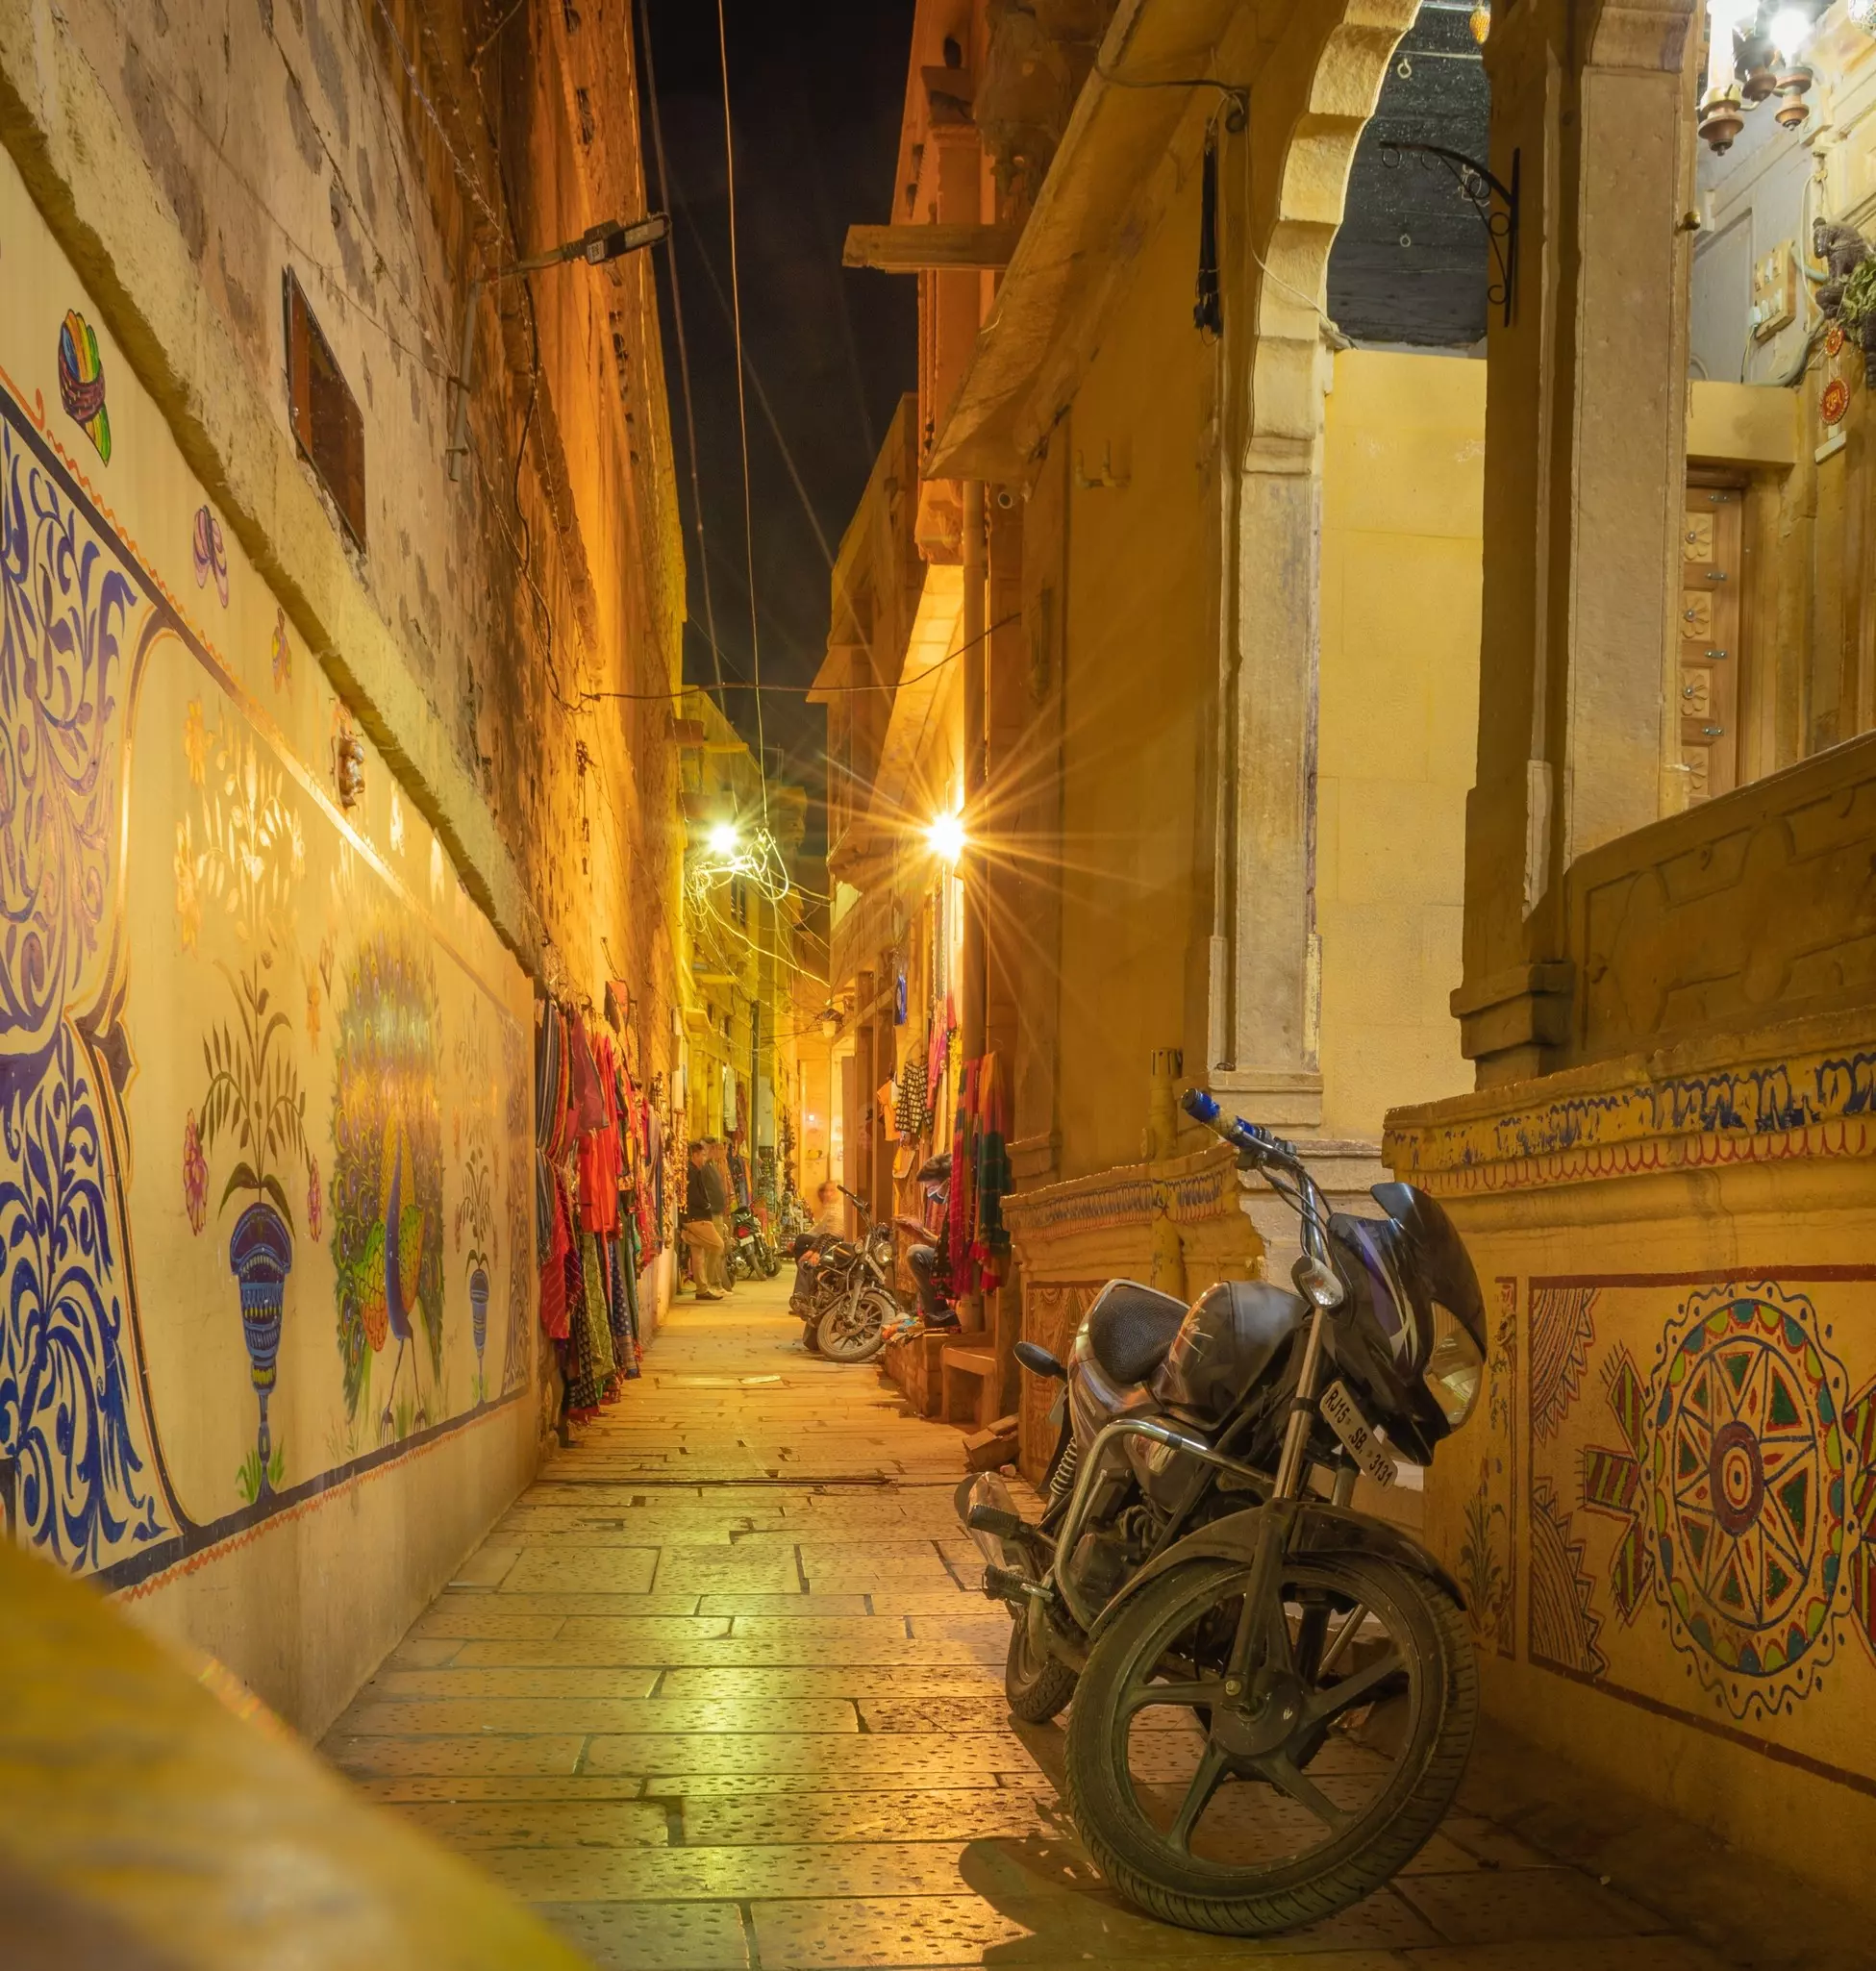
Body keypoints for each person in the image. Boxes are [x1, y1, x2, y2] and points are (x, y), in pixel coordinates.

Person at [682, 1141, 725, 1300]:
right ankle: (707, 1283)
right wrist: (706, 1205)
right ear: (695, 1155)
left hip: (694, 1217)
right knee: (718, 1245)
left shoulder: (695, 1170)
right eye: (702, 1154)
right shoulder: (693, 1172)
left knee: (698, 1255)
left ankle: (702, 1289)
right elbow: (693, 1195)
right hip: (698, 1217)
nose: (704, 1158)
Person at [702, 1139, 734, 1292]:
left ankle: (715, 1282)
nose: (720, 1151)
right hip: (712, 1213)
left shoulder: (713, 1166)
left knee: (718, 1249)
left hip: (717, 1211)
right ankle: (712, 1283)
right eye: (717, 1148)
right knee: (715, 1248)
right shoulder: (705, 1168)